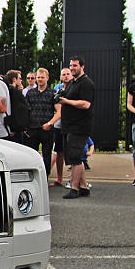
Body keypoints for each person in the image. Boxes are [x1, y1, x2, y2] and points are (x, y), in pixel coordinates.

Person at [59, 56, 95, 199]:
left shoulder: (86, 83)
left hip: (80, 126)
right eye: (71, 65)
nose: (72, 68)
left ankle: (74, 188)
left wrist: (67, 101)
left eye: (75, 65)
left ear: (82, 66)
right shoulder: (73, 82)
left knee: (75, 157)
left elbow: (86, 104)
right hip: (69, 126)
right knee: (73, 157)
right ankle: (84, 187)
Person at [25, 68, 58, 176]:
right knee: (32, 155)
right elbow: (26, 110)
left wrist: (50, 123)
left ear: (47, 78)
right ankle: (33, 176)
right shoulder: (30, 93)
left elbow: (59, 111)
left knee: (47, 155)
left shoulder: (53, 93)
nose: (40, 79)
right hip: (32, 128)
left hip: (46, 130)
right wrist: (25, 127)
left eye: (42, 77)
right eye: (38, 77)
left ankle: (45, 177)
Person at [49, 68, 72, 187]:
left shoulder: (74, 88)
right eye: (63, 74)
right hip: (59, 125)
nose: (66, 76)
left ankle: (73, 179)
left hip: (71, 125)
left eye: (68, 74)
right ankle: (59, 178)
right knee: (59, 151)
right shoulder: (57, 90)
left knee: (72, 152)